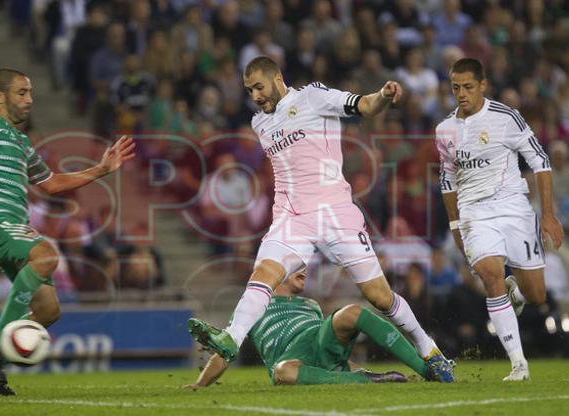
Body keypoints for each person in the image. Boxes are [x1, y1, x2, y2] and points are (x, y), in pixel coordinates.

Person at [188, 56, 454, 382]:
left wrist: (383, 95)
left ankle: (429, 350)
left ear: (277, 78)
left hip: (334, 212)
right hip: (291, 217)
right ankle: (231, 338)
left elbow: (365, 106)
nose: (255, 95)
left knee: (379, 296)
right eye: (249, 90)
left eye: (259, 86)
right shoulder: (260, 123)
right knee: (263, 274)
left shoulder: (313, 97)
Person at [0, 68, 136, 395]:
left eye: (31, 92)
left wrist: (103, 169)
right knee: (47, 255)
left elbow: (51, 184)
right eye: (22, 92)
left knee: (49, 309)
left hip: (14, 228)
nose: (30, 100)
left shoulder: (22, 143)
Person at [435, 58, 564, 381]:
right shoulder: (445, 130)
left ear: (483, 85)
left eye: (467, 87)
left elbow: (541, 162)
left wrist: (548, 215)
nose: (461, 94)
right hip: (474, 212)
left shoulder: (506, 117)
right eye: (455, 88)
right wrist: (454, 224)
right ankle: (519, 364)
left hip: (514, 208)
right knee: (491, 274)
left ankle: (516, 292)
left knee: (536, 295)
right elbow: (448, 180)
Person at [185, 273, 448, 389]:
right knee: (282, 371)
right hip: (290, 358)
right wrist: (200, 384)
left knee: (353, 311)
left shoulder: (310, 304)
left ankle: (429, 369)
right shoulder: (250, 308)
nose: (305, 269)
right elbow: (225, 351)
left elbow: (332, 352)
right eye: (296, 265)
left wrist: (349, 364)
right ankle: (369, 380)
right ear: (277, 272)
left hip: (317, 339)